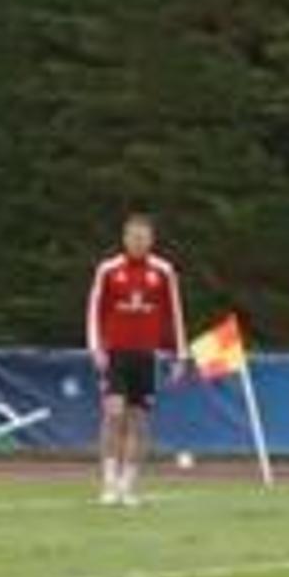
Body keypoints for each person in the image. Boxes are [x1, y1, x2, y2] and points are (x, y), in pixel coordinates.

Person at [83, 212, 186, 507]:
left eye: (143, 237)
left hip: (147, 355)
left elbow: (175, 314)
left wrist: (179, 355)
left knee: (139, 420)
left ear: (151, 240)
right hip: (116, 353)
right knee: (114, 414)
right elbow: (94, 311)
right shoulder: (109, 270)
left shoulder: (163, 271)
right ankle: (109, 482)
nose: (138, 242)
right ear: (124, 239)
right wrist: (96, 348)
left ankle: (128, 485)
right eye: (133, 237)